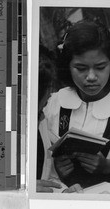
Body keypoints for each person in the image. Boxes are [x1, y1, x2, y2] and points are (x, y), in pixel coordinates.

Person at [38, 21, 110, 191]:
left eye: (100, 67)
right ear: (67, 66)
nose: (91, 77)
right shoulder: (53, 103)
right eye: (81, 68)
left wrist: (109, 166)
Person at [37, 45, 82, 193]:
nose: (50, 94)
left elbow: (45, 177)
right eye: (48, 88)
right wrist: (21, 187)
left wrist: (62, 192)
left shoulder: (41, 119)